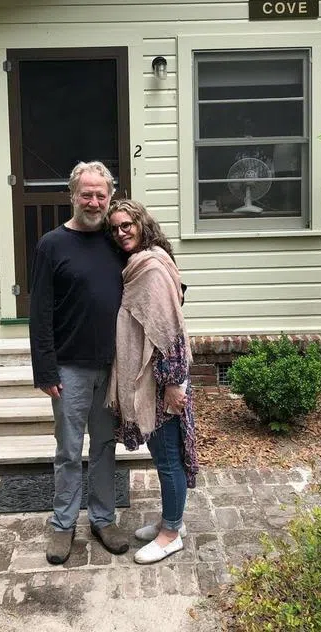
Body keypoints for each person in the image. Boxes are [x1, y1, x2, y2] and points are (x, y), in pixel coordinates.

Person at [28, 161, 132, 565]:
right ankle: (63, 524)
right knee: (69, 450)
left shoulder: (117, 241)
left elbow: (148, 269)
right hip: (69, 367)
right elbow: (39, 313)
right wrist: (46, 369)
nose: (94, 201)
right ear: (73, 195)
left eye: (101, 195)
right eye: (86, 194)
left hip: (112, 367)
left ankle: (103, 519)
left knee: (105, 446)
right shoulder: (52, 245)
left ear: (110, 197)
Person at [104, 198, 200, 565]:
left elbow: (169, 331)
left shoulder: (151, 269)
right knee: (163, 457)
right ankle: (169, 519)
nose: (120, 232)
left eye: (126, 224)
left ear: (142, 223)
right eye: (114, 228)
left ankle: (171, 534)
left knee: (169, 460)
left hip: (163, 380)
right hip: (153, 378)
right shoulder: (142, 263)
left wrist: (174, 384)